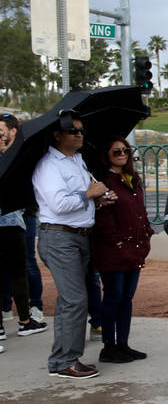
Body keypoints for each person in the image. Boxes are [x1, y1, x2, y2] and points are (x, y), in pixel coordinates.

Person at [33, 113, 114, 379]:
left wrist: (97, 201)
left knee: (75, 299)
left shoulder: (77, 161)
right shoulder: (48, 166)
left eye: (81, 130)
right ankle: (64, 360)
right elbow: (59, 205)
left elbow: (79, 200)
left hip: (78, 235)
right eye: (73, 131)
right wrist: (89, 194)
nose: (79, 134)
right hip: (59, 237)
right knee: (74, 299)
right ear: (58, 135)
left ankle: (64, 359)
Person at [91, 137, 153, 363]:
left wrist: (146, 233)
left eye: (125, 150)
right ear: (107, 156)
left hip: (134, 249)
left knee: (126, 298)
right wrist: (118, 243)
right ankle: (109, 346)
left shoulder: (132, 179)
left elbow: (139, 211)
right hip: (113, 251)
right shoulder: (104, 182)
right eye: (116, 152)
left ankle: (123, 343)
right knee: (113, 297)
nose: (122, 154)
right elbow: (104, 219)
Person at [0, 114, 48, 344]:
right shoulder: (9, 161)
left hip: (14, 222)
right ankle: (25, 321)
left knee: (19, 271)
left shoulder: (12, 158)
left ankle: (21, 320)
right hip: (10, 223)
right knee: (19, 273)